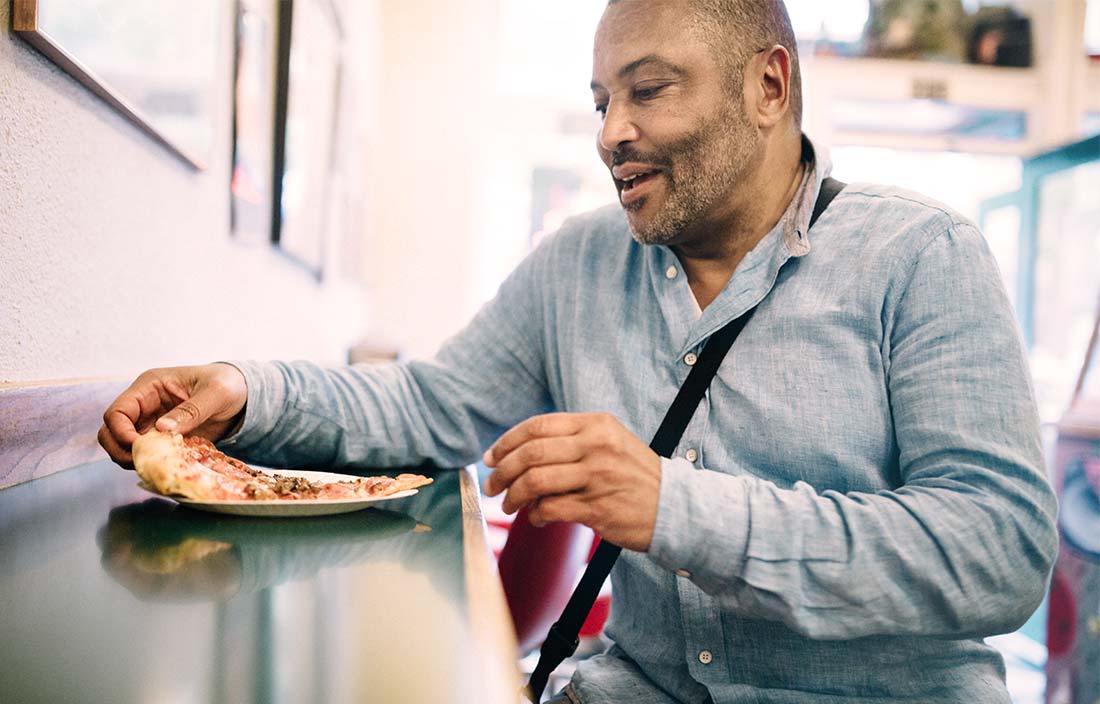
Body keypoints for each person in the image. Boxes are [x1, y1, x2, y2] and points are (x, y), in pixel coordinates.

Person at [99, 0, 1058, 701]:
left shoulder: (923, 257)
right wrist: (244, 391)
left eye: (647, 92)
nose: (611, 134)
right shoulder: (577, 266)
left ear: (770, 86)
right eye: (602, 99)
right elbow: (427, 406)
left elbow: (999, 554)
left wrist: (678, 507)